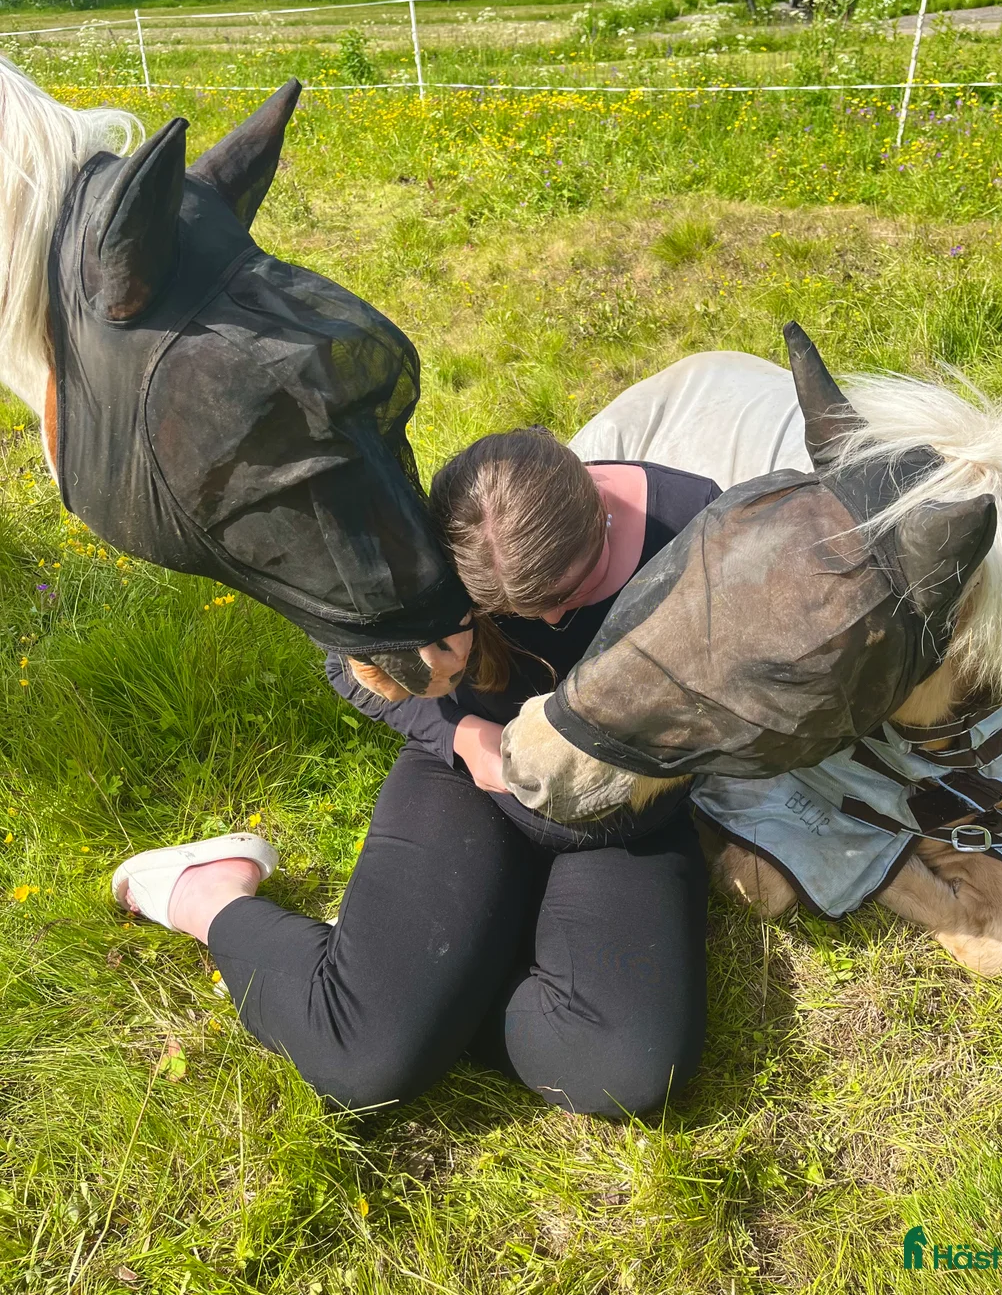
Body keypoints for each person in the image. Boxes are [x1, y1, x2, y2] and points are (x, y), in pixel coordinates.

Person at [113, 429, 721, 1117]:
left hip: (617, 818)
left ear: (598, 508)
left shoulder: (697, 529)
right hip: (469, 788)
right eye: (511, 611)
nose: (550, 618)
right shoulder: (434, 546)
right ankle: (206, 894)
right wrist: (461, 733)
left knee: (629, 1070)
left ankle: (418, 985)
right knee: (365, 1063)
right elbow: (353, 669)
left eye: (574, 591)